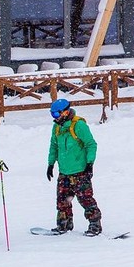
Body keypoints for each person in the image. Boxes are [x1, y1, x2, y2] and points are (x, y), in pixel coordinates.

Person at [46, 99, 102, 236]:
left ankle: (95, 225)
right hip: (64, 171)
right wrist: (50, 164)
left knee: (86, 199)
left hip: (80, 171)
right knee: (62, 201)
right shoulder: (57, 127)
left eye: (56, 114)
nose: (55, 118)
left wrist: (90, 164)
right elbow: (54, 146)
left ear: (65, 112)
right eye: (52, 114)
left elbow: (91, 144)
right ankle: (64, 224)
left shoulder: (79, 125)